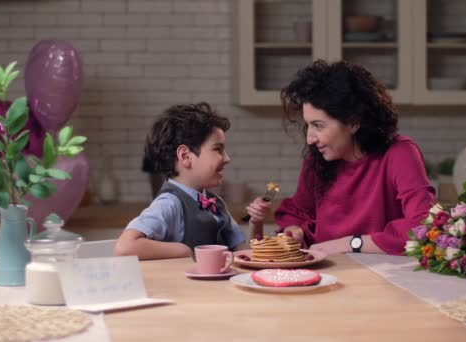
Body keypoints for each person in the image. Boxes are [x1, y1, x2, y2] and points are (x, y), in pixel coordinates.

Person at [247, 60, 435, 255]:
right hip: (328, 273)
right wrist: (294, 231)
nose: (310, 139)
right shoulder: (317, 160)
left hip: (381, 276)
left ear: (353, 122)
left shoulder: (400, 153)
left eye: (318, 125)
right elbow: (298, 213)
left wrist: (350, 244)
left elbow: (424, 227)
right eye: (308, 125)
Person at [114, 103, 269, 260]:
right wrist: (184, 251)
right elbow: (125, 247)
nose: (227, 158)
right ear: (185, 156)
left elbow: (243, 253)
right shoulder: (169, 203)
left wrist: (255, 223)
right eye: (218, 149)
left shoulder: (216, 204)